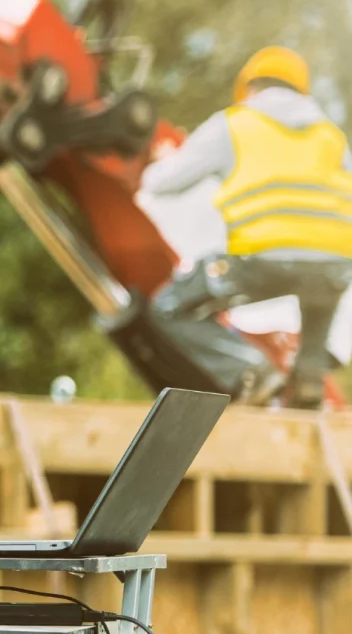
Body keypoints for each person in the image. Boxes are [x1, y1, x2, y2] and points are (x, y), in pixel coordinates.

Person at [141, 46, 352, 409]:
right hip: (334, 263)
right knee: (319, 297)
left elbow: (161, 184)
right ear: (302, 91)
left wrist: (164, 160)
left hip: (261, 259)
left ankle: (252, 372)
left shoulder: (234, 123)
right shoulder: (330, 136)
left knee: (168, 308)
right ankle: (308, 384)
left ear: (250, 88)